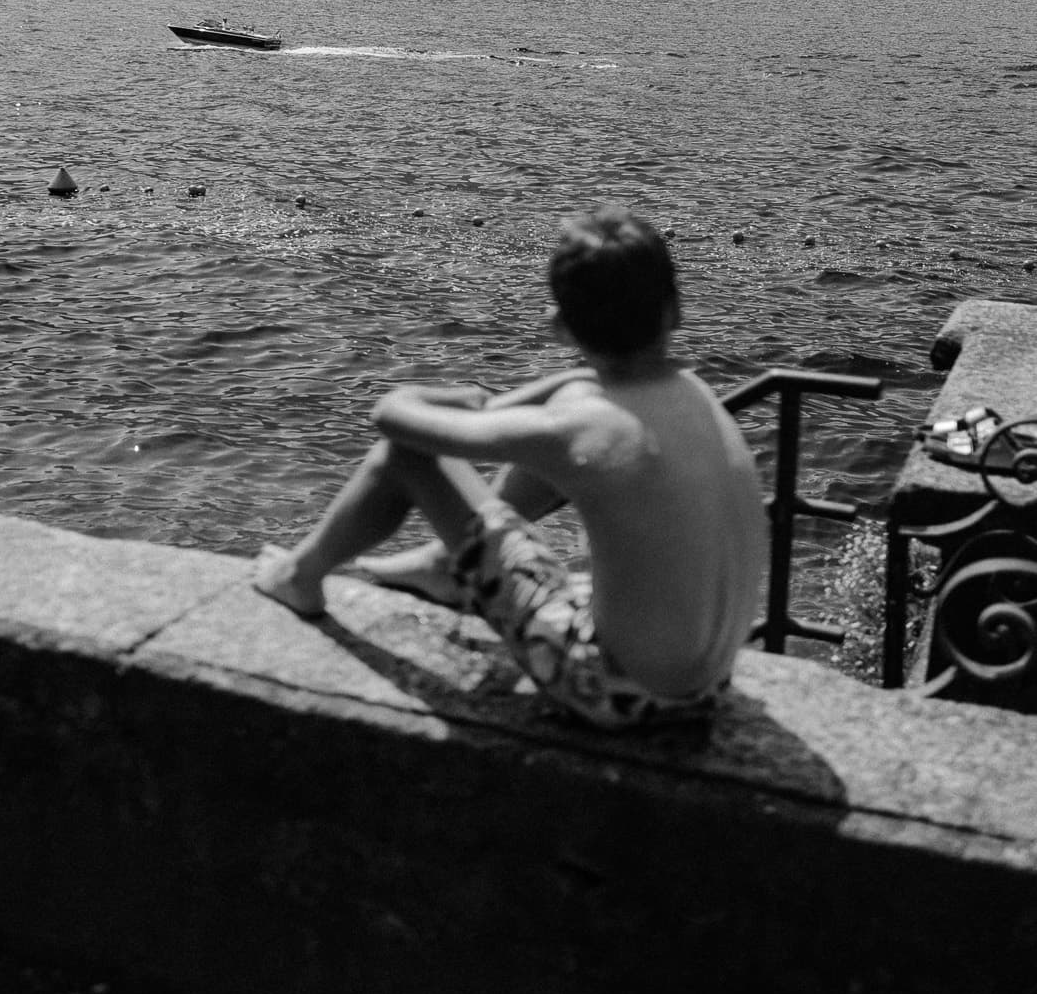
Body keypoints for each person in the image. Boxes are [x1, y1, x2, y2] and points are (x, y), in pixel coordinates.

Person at [253, 208, 767, 730]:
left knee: (402, 458)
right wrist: (497, 408)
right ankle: (443, 566)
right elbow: (572, 394)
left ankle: (298, 577)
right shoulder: (694, 394)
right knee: (567, 411)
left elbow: (392, 419)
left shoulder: (578, 429)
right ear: (674, 311)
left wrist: (454, 396)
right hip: (710, 681)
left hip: (618, 692)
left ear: (559, 327)